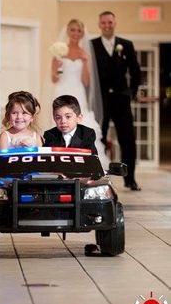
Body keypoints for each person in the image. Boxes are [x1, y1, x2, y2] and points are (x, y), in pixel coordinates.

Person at [91, 11, 141, 191]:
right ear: (99, 24)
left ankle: (131, 179)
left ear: (115, 23)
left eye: (110, 22)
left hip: (121, 100)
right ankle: (98, 176)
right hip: (100, 101)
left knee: (128, 139)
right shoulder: (92, 45)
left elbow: (136, 71)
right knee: (99, 138)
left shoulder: (126, 45)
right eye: (103, 22)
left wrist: (131, 92)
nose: (107, 25)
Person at [50, 18, 109, 169]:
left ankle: (82, 161)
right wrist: (57, 66)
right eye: (73, 30)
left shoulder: (84, 53)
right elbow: (54, 78)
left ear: (82, 33)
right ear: (68, 32)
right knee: (60, 121)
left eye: (79, 30)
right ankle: (59, 159)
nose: (76, 33)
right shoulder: (59, 50)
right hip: (62, 89)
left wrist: (84, 63)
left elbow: (87, 81)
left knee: (80, 122)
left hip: (78, 91)